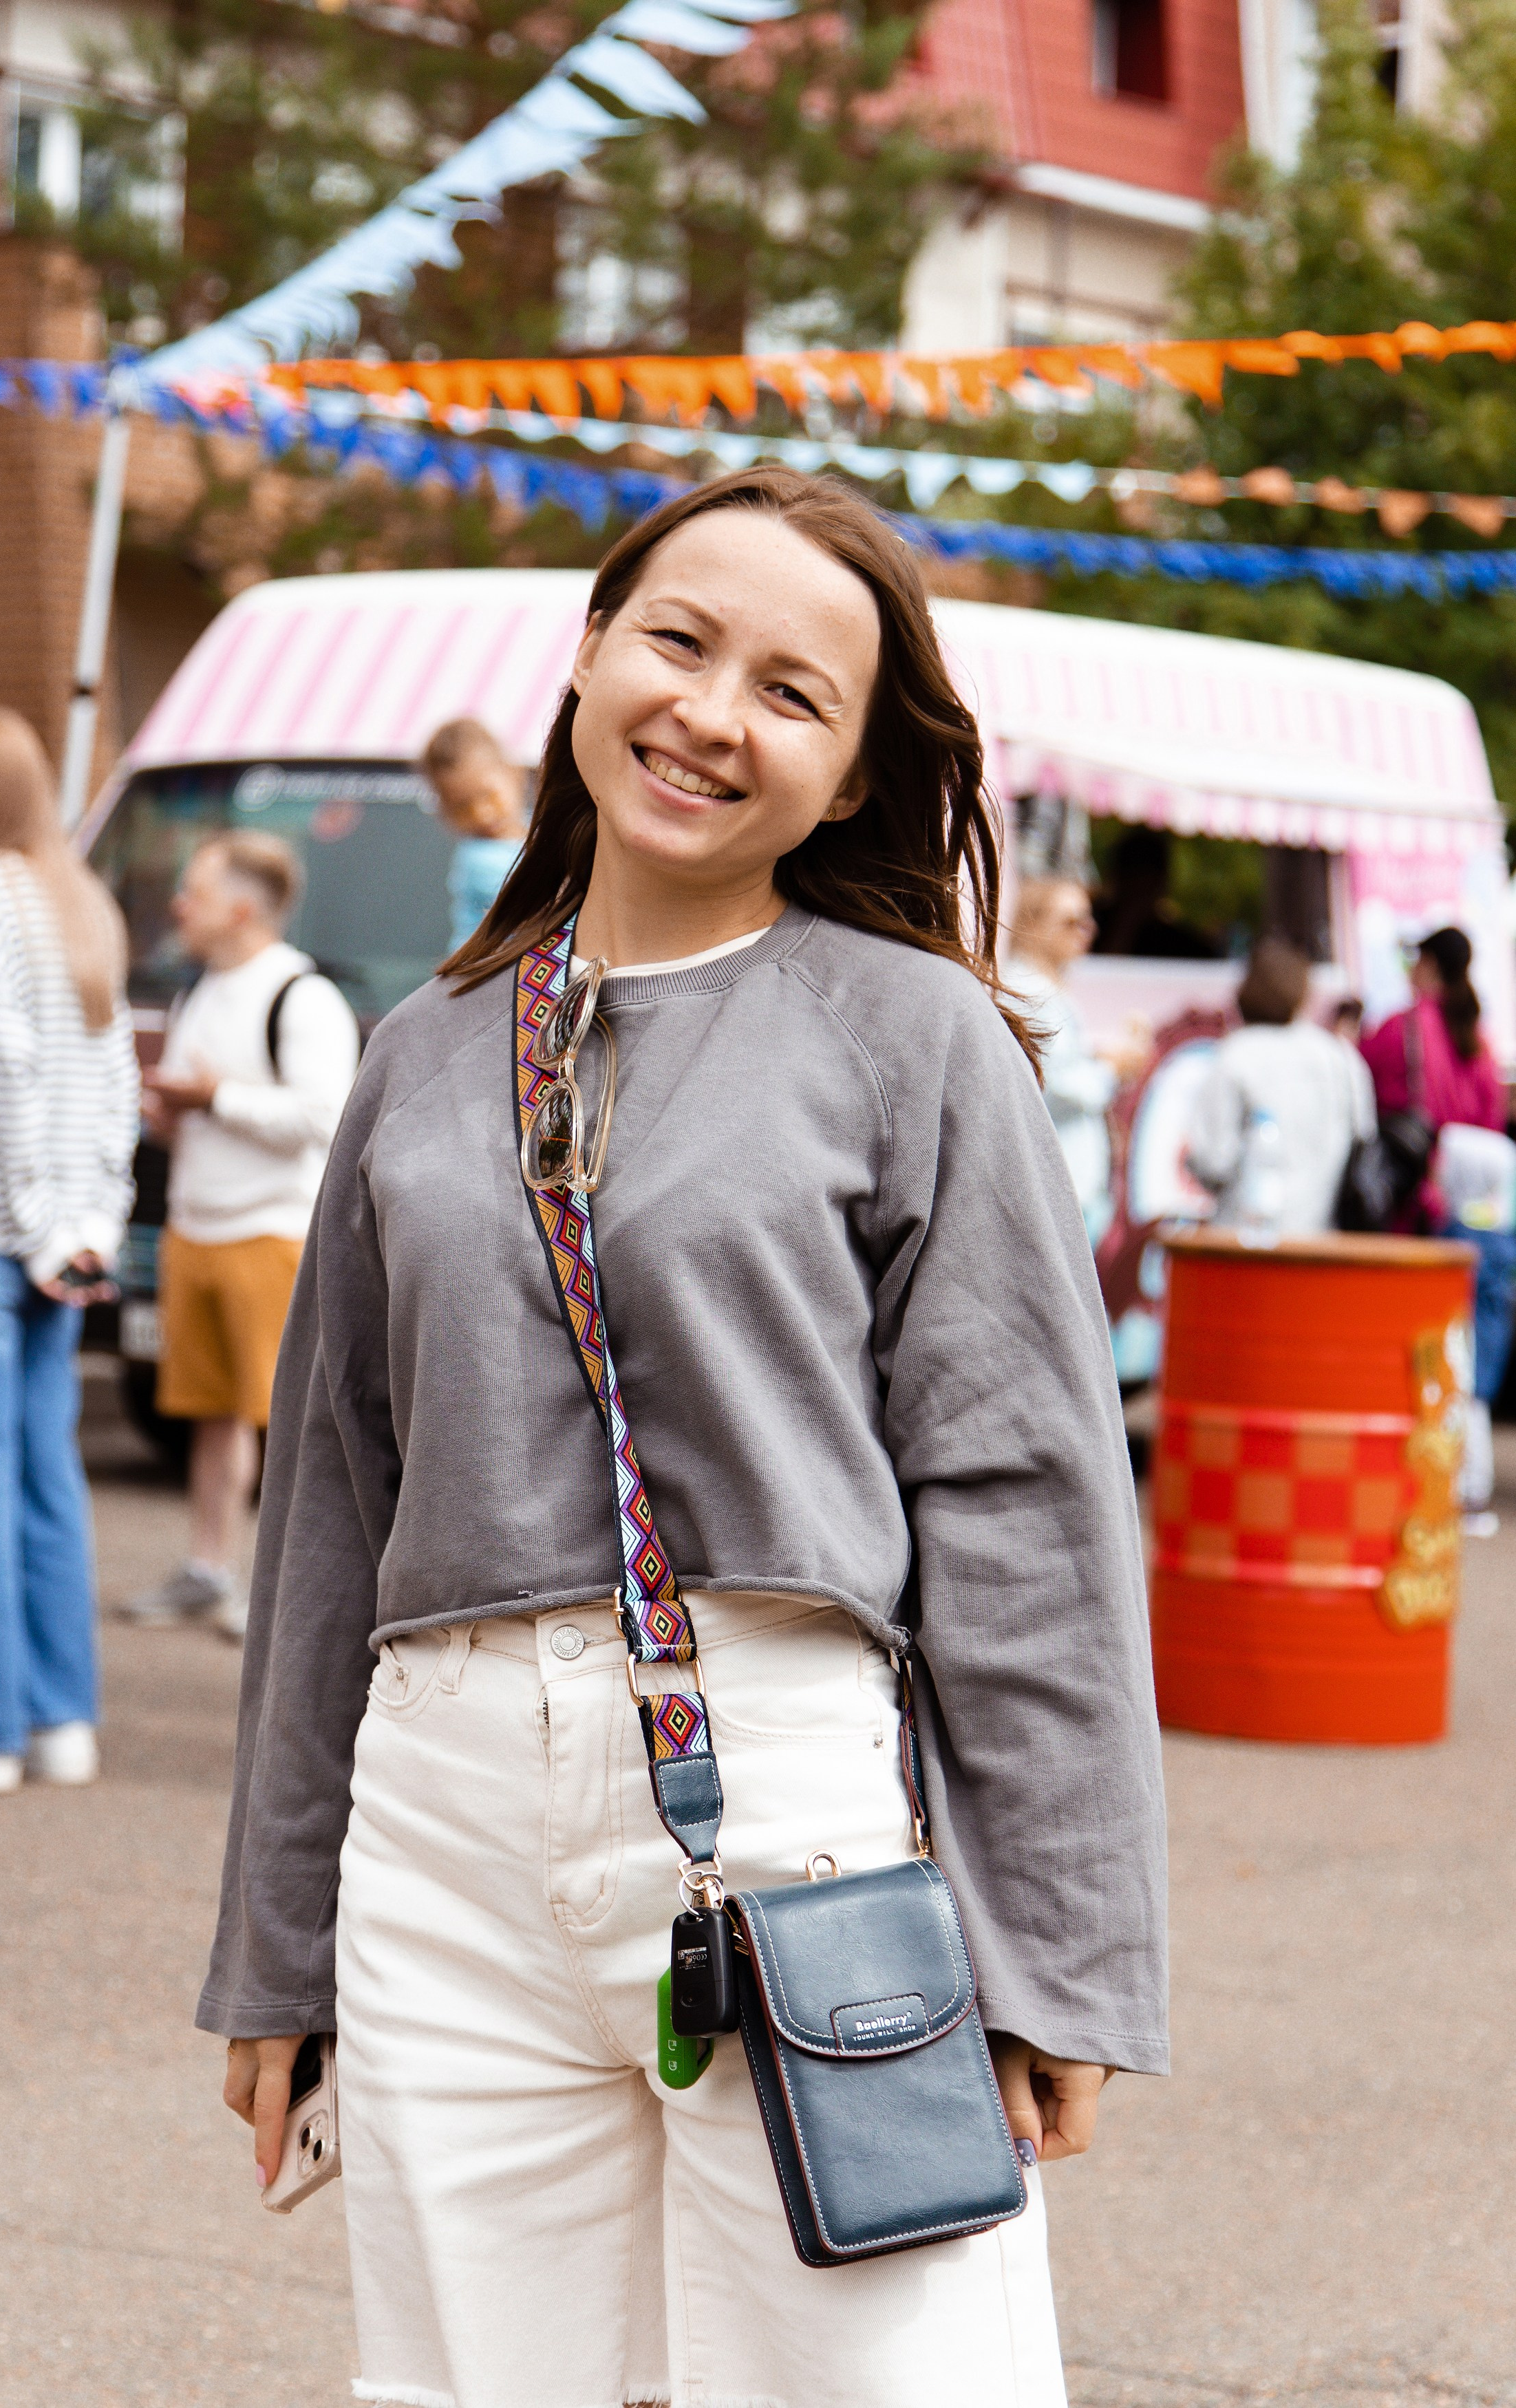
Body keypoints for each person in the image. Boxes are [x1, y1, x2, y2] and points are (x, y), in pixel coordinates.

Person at [206, 469, 1166, 2408]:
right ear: (583, 657)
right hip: (441, 1822)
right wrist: (275, 1945)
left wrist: (1057, 1946)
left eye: (794, 694)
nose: (714, 711)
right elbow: (333, 1511)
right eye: (679, 639)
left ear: (846, 776)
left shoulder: (914, 1036)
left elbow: (1022, 1509)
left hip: (802, 1800)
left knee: (890, 2380)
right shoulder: (421, 1047)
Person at [0, 706, 138, 1795]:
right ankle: (59, 1721)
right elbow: (113, 1082)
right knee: (46, 1475)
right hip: (64, 1235)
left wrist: (38, 1227)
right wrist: (87, 1227)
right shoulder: (79, 896)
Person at [125, 833, 359, 1638]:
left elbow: (324, 1119)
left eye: (191, 891)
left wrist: (212, 1098)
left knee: (288, 1424)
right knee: (211, 1415)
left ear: (241, 906)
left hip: (271, 1233)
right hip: (197, 1230)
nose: (177, 907)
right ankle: (207, 1568)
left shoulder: (302, 995)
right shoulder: (202, 989)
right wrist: (167, 1114)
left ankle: (279, 1590)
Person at [1363, 927, 1513, 1523]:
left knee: (1420, 1352)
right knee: (1471, 1348)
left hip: (1420, 1217)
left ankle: (1427, 1483)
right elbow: (1491, 1118)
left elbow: (1370, 1094)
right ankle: (1469, 1486)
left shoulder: (1401, 1029)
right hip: (1483, 1220)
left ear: (1425, 965)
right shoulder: (1475, 1035)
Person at [1186, 936, 1375, 1238]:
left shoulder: (1236, 1054)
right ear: (1303, 994)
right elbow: (1364, 1138)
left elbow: (1213, 1161)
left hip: (1243, 1242)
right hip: (1324, 1242)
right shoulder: (1341, 1057)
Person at [1005, 874, 1140, 1247]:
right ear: (1033, 924)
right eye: (1071, 922)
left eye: (1088, 919)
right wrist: (1112, 1067)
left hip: (1066, 1186)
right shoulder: (1027, 992)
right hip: (1055, 1188)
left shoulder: (1041, 988)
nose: (1087, 930)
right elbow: (1056, 1083)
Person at [423, 717, 528, 952]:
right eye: (462, 807)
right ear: (445, 811)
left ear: (515, 774)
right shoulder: (476, 860)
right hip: (481, 975)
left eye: (488, 795)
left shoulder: (540, 830)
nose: (482, 814)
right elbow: (543, 897)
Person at [1092, 825, 1219, 958]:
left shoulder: (1181, 944)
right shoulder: (1090, 928)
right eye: (1134, 875)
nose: (1139, 888)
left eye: (1146, 877)